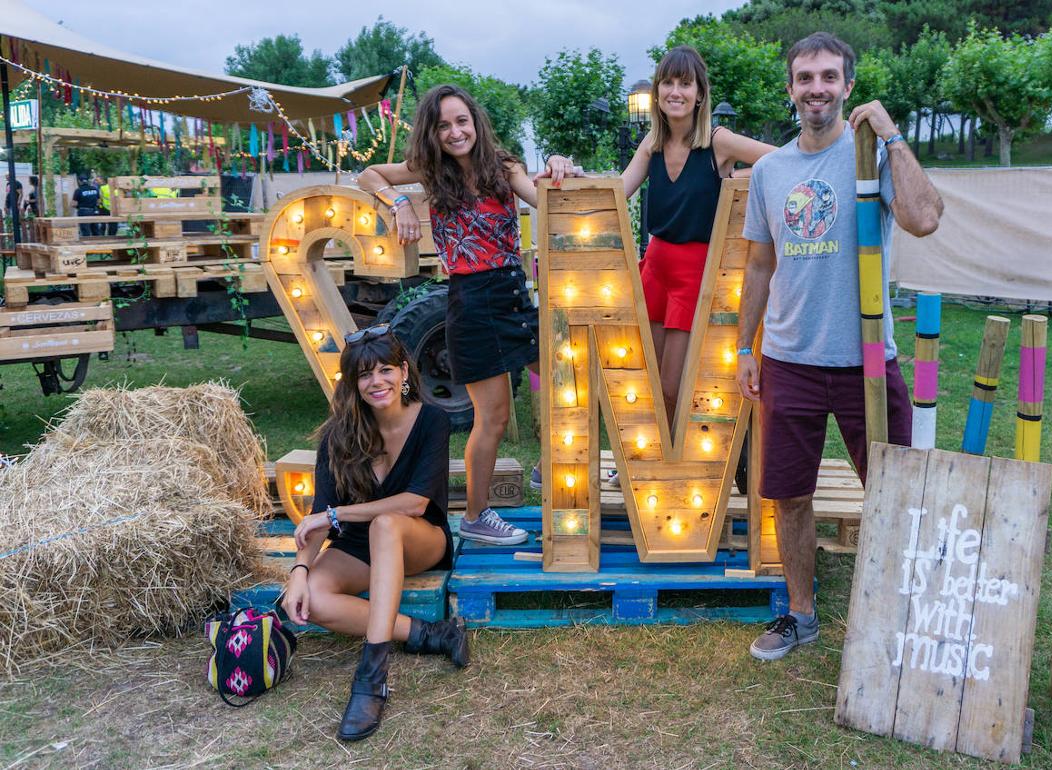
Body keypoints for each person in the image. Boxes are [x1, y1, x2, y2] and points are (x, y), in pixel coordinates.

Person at [734, 32, 943, 661]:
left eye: (829, 77)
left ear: (847, 86)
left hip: (867, 362)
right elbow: (759, 267)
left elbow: (925, 217)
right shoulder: (770, 172)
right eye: (805, 78)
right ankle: (800, 613)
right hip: (791, 359)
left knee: (898, 488)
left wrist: (892, 136)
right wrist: (747, 346)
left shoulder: (869, 157)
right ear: (791, 88)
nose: (816, 89)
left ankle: (904, 611)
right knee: (789, 493)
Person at [357, 84, 578, 546]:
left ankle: (546, 468)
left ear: (475, 122)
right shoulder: (428, 170)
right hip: (471, 303)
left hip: (513, 295)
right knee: (493, 417)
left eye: (462, 121)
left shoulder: (503, 166)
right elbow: (369, 174)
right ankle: (477, 516)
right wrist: (398, 203)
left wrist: (558, 165)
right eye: (443, 126)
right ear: (432, 134)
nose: (455, 132)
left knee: (567, 378)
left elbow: (542, 197)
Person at [600, 45, 774, 488]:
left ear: (700, 94)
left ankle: (675, 471)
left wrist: (742, 182)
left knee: (677, 385)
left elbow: (780, 161)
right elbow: (617, 192)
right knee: (646, 379)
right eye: (668, 82)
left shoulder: (718, 141)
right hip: (655, 268)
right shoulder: (652, 143)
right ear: (658, 91)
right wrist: (564, 171)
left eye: (685, 83)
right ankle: (645, 460)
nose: (676, 91)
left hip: (695, 274)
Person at [281, 325, 466, 741]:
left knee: (386, 524)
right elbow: (316, 516)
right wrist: (298, 572)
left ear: (404, 372)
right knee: (315, 600)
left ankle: (371, 679)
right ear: (353, 383)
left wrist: (337, 514)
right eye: (364, 374)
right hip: (358, 545)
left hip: (419, 538)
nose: (376, 381)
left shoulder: (431, 420)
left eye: (385, 370)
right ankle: (429, 633)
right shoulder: (338, 434)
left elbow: (415, 503)